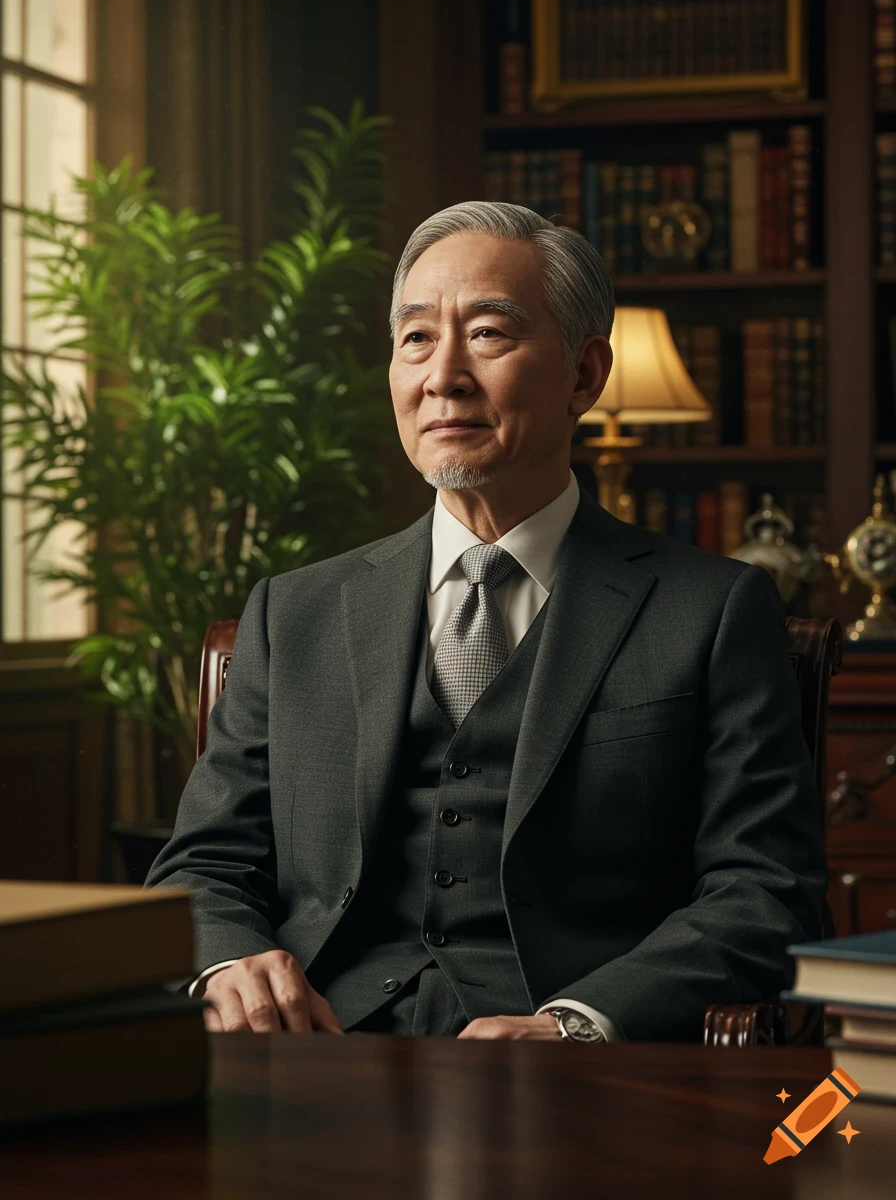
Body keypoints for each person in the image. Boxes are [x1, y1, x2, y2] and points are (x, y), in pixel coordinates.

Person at [146, 201, 827, 1043]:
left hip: (572, 1074)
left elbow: (766, 887)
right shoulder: (295, 613)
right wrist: (230, 962)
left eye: (490, 335)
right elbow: (204, 863)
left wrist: (576, 1025)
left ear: (585, 375)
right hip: (315, 1053)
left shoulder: (712, 610)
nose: (443, 376)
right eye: (416, 338)